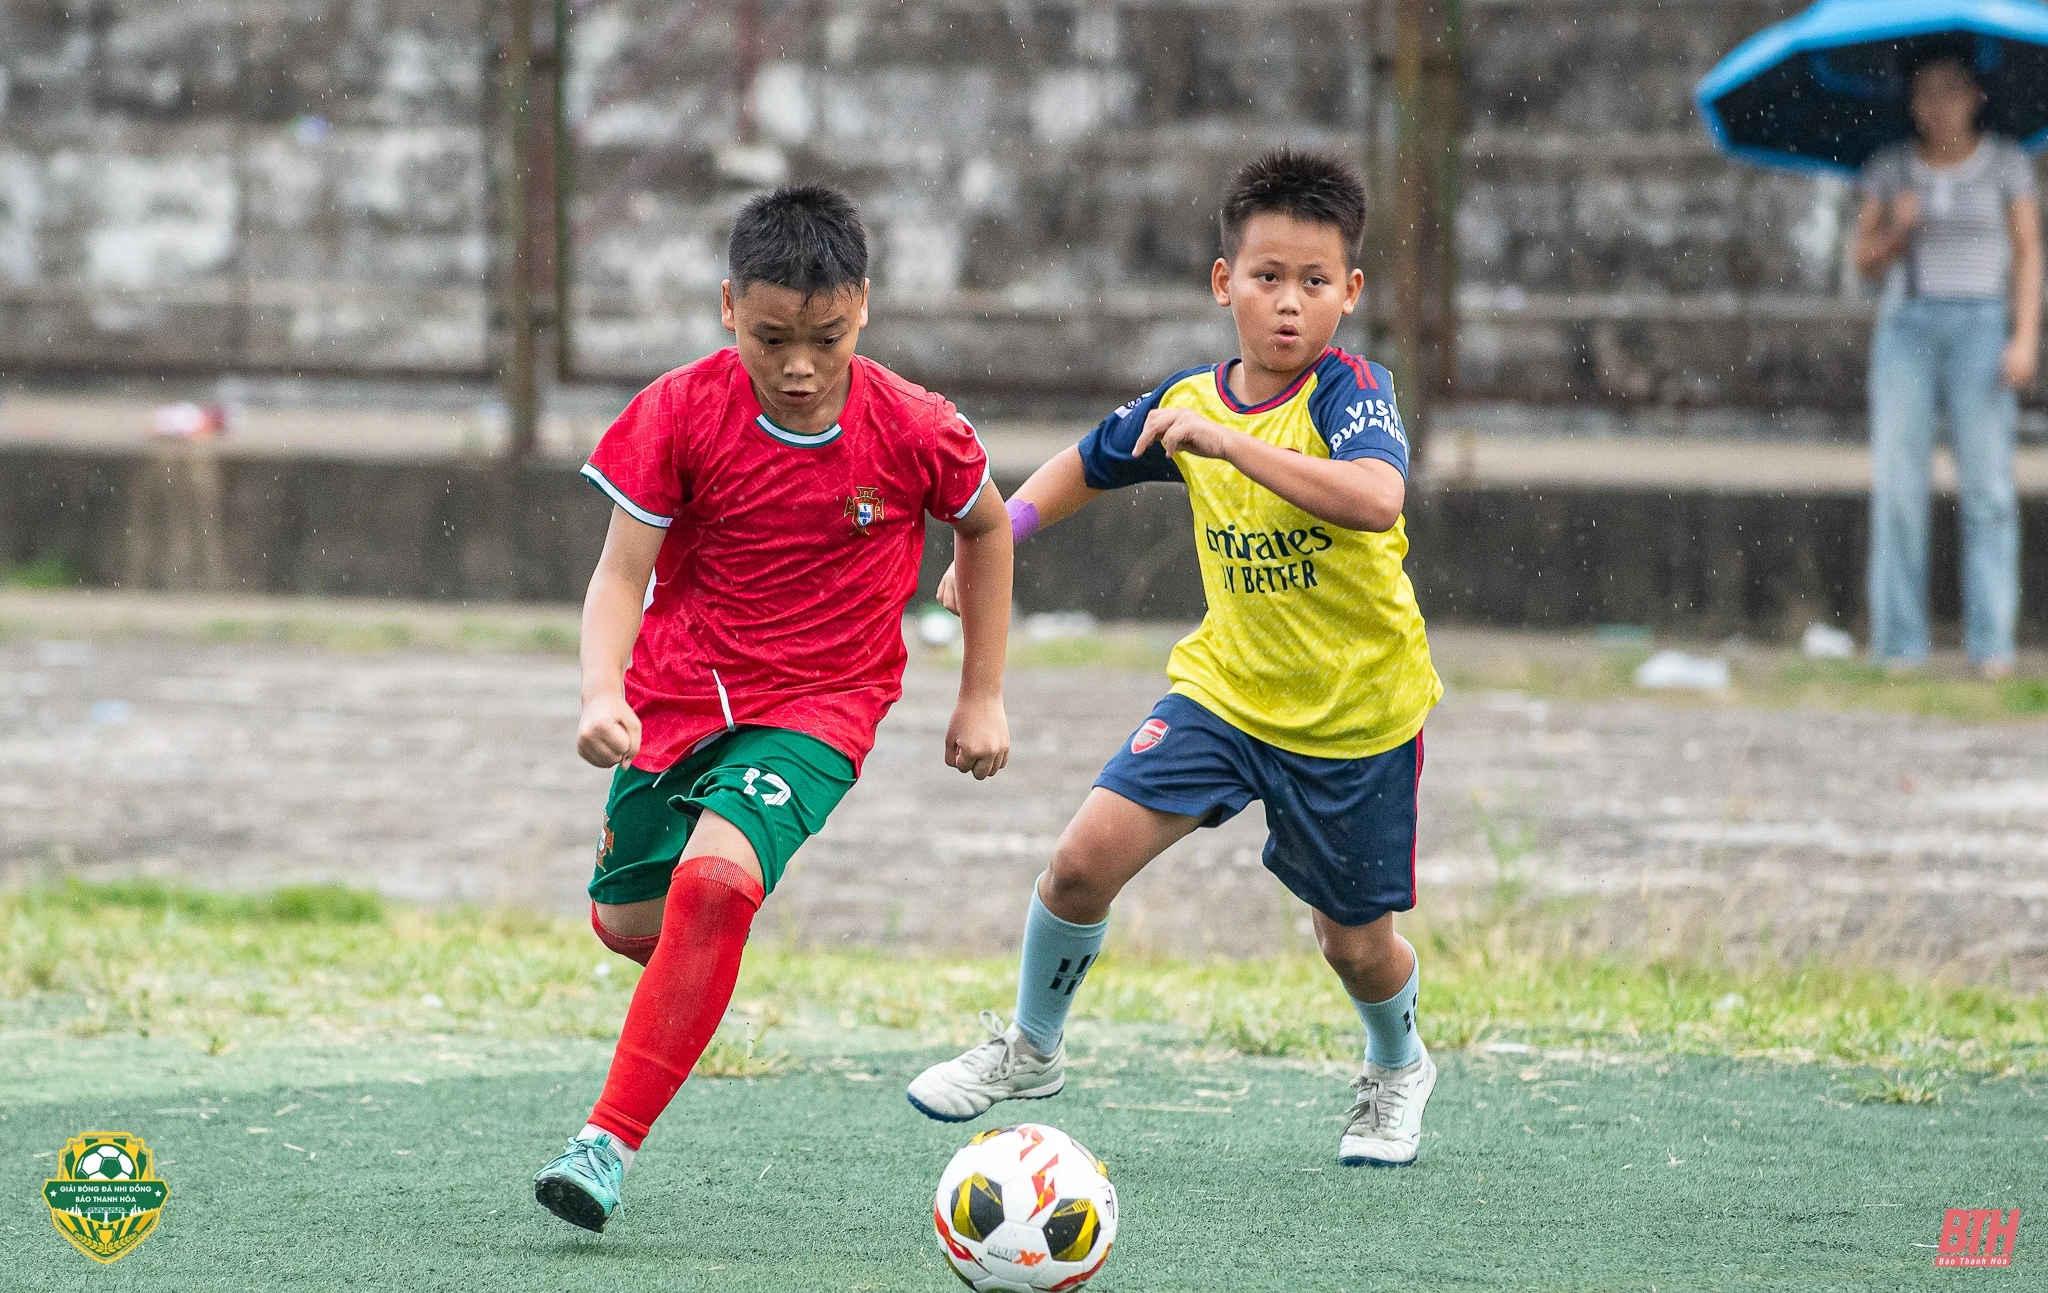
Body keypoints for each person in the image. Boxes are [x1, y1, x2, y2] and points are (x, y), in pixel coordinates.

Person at [905, 149, 1444, 1167]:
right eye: (1267, 278)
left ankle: (1395, 1066)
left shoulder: (1351, 393)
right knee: (1075, 868)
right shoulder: (1188, 396)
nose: (1289, 304)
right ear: (1222, 282)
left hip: (1352, 718)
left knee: (1354, 947)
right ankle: (1030, 1047)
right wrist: (1001, 535)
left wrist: (1229, 446)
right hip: (1223, 697)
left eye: (1315, 283)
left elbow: (1377, 498)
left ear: (1350, 293)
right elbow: (1085, 461)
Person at [532, 185, 1013, 1231]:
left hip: (823, 705)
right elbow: (620, 576)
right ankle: (697, 962)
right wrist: (597, 691)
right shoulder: (675, 413)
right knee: (630, 924)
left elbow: (986, 528)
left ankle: (602, 1145)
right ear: (726, 309)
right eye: (771, 339)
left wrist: (980, 694)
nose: (799, 367)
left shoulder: (916, 428)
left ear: (864, 310)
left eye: (826, 338)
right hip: (680, 693)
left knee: (714, 885)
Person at [1852, 43, 2042, 677]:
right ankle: (1900, 643)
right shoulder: (1891, 168)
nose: (1940, 108)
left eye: (1951, 92)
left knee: (1987, 487)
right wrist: (1898, 230)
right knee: (1900, 488)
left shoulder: (2007, 166)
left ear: (1974, 97)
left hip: (1981, 324)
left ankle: (1991, 643)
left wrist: (2023, 337)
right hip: (1910, 324)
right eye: (1926, 95)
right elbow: (1862, 260)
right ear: (1912, 103)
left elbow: (2028, 254)